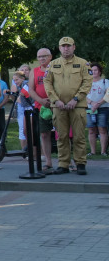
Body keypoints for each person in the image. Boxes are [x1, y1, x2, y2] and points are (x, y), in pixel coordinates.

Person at [44, 37, 91, 174]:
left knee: (79, 136)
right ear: (59, 48)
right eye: (63, 46)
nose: (66, 48)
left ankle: (80, 163)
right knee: (62, 136)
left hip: (78, 105)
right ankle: (63, 164)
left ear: (74, 47)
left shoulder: (83, 64)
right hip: (59, 106)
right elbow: (47, 83)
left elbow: (87, 83)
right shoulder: (52, 64)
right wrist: (55, 100)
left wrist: (75, 99)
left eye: (68, 46)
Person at [28, 49, 55, 169]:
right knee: (44, 134)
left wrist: (54, 100)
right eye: (39, 57)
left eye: (44, 56)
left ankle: (66, 161)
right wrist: (41, 101)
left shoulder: (56, 69)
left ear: (50, 57)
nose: (42, 59)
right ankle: (48, 161)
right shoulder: (34, 71)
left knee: (62, 134)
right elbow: (31, 89)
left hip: (56, 105)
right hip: (41, 107)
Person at [86, 62, 108, 158]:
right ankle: (93, 152)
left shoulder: (105, 82)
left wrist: (98, 103)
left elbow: (108, 95)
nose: (93, 72)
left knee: (102, 129)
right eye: (92, 70)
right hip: (89, 109)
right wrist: (92, 103)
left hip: (103, 108)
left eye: (96, 70)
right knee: (91, 129)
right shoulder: (86, 82)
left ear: (99, 72)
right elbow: (83, 95)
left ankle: (103, 151)